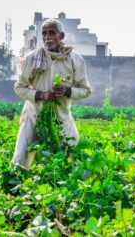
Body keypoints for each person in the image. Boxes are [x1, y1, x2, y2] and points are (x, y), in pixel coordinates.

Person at [12, 18, 92, 168]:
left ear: (61, 36)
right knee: (21, 161)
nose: (47, 37)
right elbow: (19, 87)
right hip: (34, 116)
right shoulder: (32, 58)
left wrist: (67, 91)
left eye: (51, 33)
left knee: (72, 159)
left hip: (61, 117)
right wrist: (41, 95)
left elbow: (86, 90)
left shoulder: (74, 59)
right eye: (44, 33)